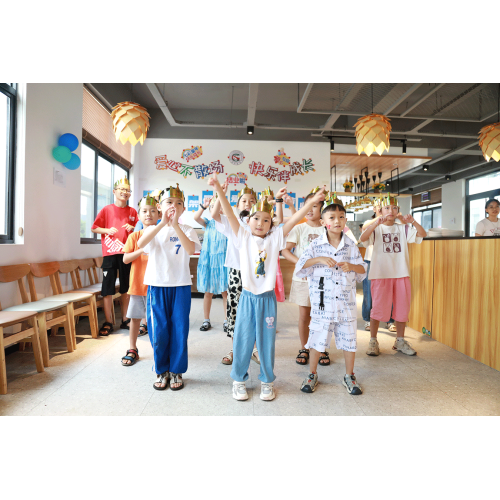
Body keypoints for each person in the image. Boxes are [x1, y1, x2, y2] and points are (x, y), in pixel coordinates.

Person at [208, 172, 326, 402]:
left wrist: (311, 203)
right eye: (256, 219)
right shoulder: (242, 236)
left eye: (266, 220)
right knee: (242, 339)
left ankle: (266, 381)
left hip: (267, 299)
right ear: (248, 220)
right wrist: (220, 190)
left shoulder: (275, 238)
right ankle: (239, 380)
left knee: (266, 341)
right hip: (248, 297)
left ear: (271, 223)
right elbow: (229, 214)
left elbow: (293, 220)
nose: (260, 223)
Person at [295, 192, 367, 394]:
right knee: (318, 339)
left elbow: (363, 270)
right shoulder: (315, 245)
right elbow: (300, 267)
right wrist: (318, 259)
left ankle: (350, 376)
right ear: (323, 221)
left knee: (349, 341)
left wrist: (351, 265)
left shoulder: (351, 245)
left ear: (345, 219)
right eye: (332, 217)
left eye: (341, 217)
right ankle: (312, 373)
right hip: (322, 304)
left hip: (346, 304)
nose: (337, 221)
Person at [138, 184, 202, 391]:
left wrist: (175, 226)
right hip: (157, 286)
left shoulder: (187, 229)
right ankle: (161, 370)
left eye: (178, 203)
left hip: (181, 286)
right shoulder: (151, 229)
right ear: (159, 206)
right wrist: (162, 223)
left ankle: (176, 371)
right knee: (159, 330)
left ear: (184, 209)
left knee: (180, 329)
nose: (173, 206)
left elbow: (191, 249)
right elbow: (141, 245)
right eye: (168, 203)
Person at [359, 195, 427, 356]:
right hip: (380, 274)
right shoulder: (376, 228)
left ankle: (400, 341)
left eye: (394, 208)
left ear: (398, 211)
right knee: (377, 308)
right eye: (387, 208)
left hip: (401, 273)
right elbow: (363, 238)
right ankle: (373, 340)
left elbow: (422, 234)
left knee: (402, 308)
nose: (391, 210)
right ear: (380, 210)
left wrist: (413, 222)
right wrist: (376, 222)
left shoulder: (402, 228)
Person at [211, 183, 260, 365]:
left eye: (252, 201)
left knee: (255, 311)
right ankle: (235, 348)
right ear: (237, 204)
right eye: (244, 200)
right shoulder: (233, 221)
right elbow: (215, 215)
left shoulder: (261, 221)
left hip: (256, 273)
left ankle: (254, 349)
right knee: (235, 312)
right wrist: (220, 193)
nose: (248, 203)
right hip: (236, 272)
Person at [282, 188, 330, 367]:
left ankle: (322, 348)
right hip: (303, 280)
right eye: (307, 206)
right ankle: (304, 348)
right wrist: (299, 262)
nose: (310, 210)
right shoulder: (299, 228)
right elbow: (285, 250)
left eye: (315, 206)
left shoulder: (328, 229)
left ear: (322, 209)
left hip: (325, 281)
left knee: (323, 316)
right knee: (304, 315)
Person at [91, 177, 137, 336]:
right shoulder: (106, 210)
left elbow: (141, 230)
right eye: (122, 189)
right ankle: (108, 321)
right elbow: (95, 228)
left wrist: (133, 227)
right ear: (114, 192)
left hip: (127, 253)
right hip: (109, 254)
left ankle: (126, 319)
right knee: (107, 289)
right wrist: (107, 230)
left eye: (128, 190)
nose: (125, 192)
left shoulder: (133, 212)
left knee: (126, 287)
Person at [120, 194, 159, 366]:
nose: (148, 214)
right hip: (137, 285)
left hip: (158, 285)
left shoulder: (162, 235)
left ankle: (159, 349)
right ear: (139, 215)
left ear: (159, 214)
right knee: (135, 318)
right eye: (144, 211)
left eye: (153, 211)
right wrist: (142, 250)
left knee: (158, 320)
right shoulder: (134, 237)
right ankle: (132, 348)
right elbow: (125, 259)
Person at [194, 194, 228, 332]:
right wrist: (203, 206)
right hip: (208, 261)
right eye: (214, 206)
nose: (217, 209)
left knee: (225, 292)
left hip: (223, 262)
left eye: (220, 206)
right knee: (208, 292)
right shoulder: (208, 223)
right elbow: (196, 218)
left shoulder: (227, 224)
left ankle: (227, 320)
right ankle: (206, 320)